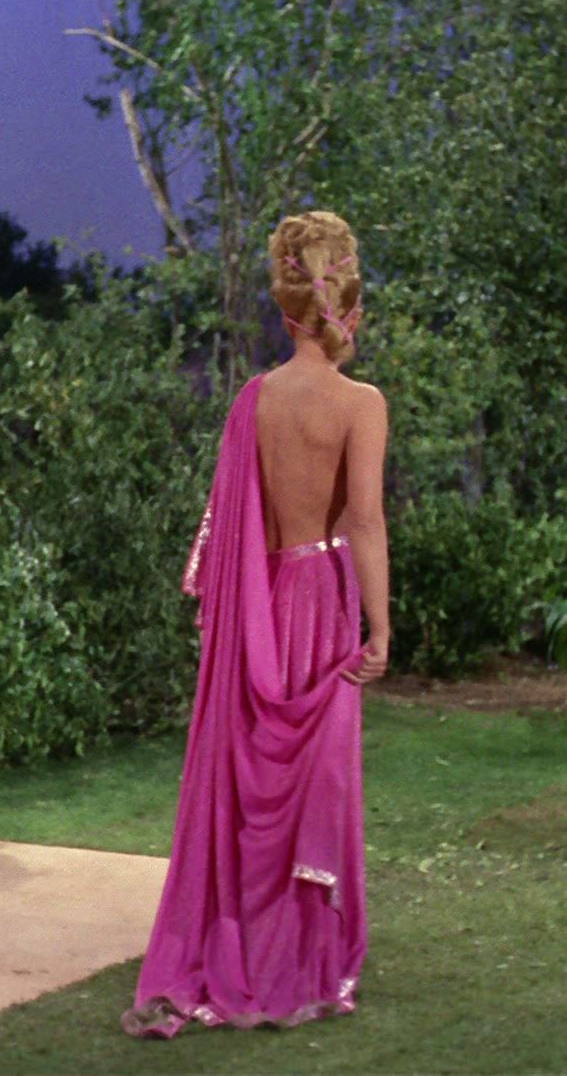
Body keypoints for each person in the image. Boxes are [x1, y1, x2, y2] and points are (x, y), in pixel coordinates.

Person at [121, 210, 390, 1038]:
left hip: (257, 608)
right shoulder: (361, 403)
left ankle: (235, 943)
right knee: (314, 780)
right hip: (322, 598)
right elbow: (366, 519)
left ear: (284, 309)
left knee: (248, 785)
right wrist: (381, 627)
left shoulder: (252, 402)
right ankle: (300, 957)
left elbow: (234, 528)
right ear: (350, 309)